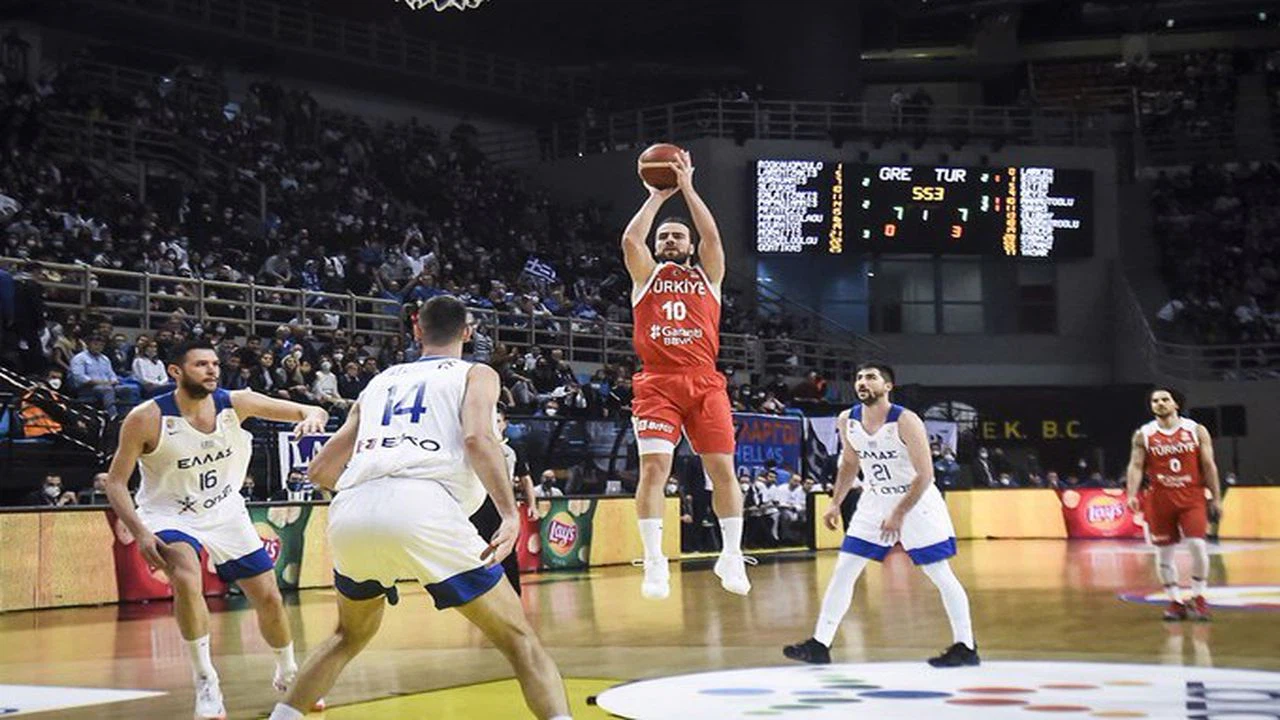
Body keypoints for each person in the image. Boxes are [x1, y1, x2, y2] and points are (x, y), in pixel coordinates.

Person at [269, 295, 570, 720]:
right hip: (424, 502)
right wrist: (507, 513)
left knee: (347, 636)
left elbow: (319, 470)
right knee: (520, 639)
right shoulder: (476, 373)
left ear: (416, 330)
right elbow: (477, 439)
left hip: (353, 505)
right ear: (468, 333)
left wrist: (375, 492)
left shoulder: (379, 381)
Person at [103, 338, 330, 720]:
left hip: (226, 512)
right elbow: (114, 482)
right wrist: (141, 531)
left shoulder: (235, 402)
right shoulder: (146, 418)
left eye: (213, 364)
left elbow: (312, 408)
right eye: (200, 365)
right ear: (175, 372)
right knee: (188, 578)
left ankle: (288, 670)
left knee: (270, 597)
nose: (211, 370)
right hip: (168, 514)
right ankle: (206, 680)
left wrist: (312, 418)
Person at [784, 363, 979, 668]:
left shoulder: (906, 420)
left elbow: (926, 474)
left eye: (871, 377)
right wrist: (835, 502)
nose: (863, 382)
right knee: (844, 570)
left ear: (888, 386)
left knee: (939, 573)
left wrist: (900, 513)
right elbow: (849, 463)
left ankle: (966, 646)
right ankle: (819, 644)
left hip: (915, 501)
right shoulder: (847, 419)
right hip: (874, 500)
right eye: (859, 377)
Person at [621, 148, 748, 599]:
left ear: (689, 245)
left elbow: (713, 239)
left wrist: (689, 188)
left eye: (679, 236)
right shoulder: (646, 278)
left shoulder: (707, 277)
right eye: (666, 237)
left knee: (722, 469)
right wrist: (657, 196)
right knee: (654, 469)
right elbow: (630, 242)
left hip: (703, 379)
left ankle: (731, 554)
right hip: (657, 382)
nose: (671, 240)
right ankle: (655, 561)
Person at [1126, 386, 1222, 622]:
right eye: (1155, 400)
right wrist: (1131, 494)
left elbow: (1209, 465)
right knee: (1163, 554)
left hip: (1192, 495)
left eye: (1164, 399)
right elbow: (1136, 466)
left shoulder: (1195, 430)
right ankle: (1175, 601)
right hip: (1160, 498)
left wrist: (1216, 497)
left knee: (1198, 547)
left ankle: (1199, 598)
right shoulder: (1144, 434)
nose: (1159, 403)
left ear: (1175, 404)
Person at [469, 404, 538, 595]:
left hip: (504, 506)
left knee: (507, 550)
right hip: (478, 504)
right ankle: (482, 595)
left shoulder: (513, 449)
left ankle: (514, 594)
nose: (494, 424)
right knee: (478, 550)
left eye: (498, 421)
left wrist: (532, 504)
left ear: (505, 424)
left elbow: (525, 478)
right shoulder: (474, 445)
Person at [69, 334, 139, 420]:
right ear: (88, 344)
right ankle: (113, 416)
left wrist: (114, 381)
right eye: (95, 344)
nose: (98, 347)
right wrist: (101, 383)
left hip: (107, 386)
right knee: (107, 390)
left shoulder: (105, 359)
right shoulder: (79, 358)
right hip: (88, 388)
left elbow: (111, 374)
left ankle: (126, 416)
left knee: (127, 389)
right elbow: (79, 377)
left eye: (101, 345)